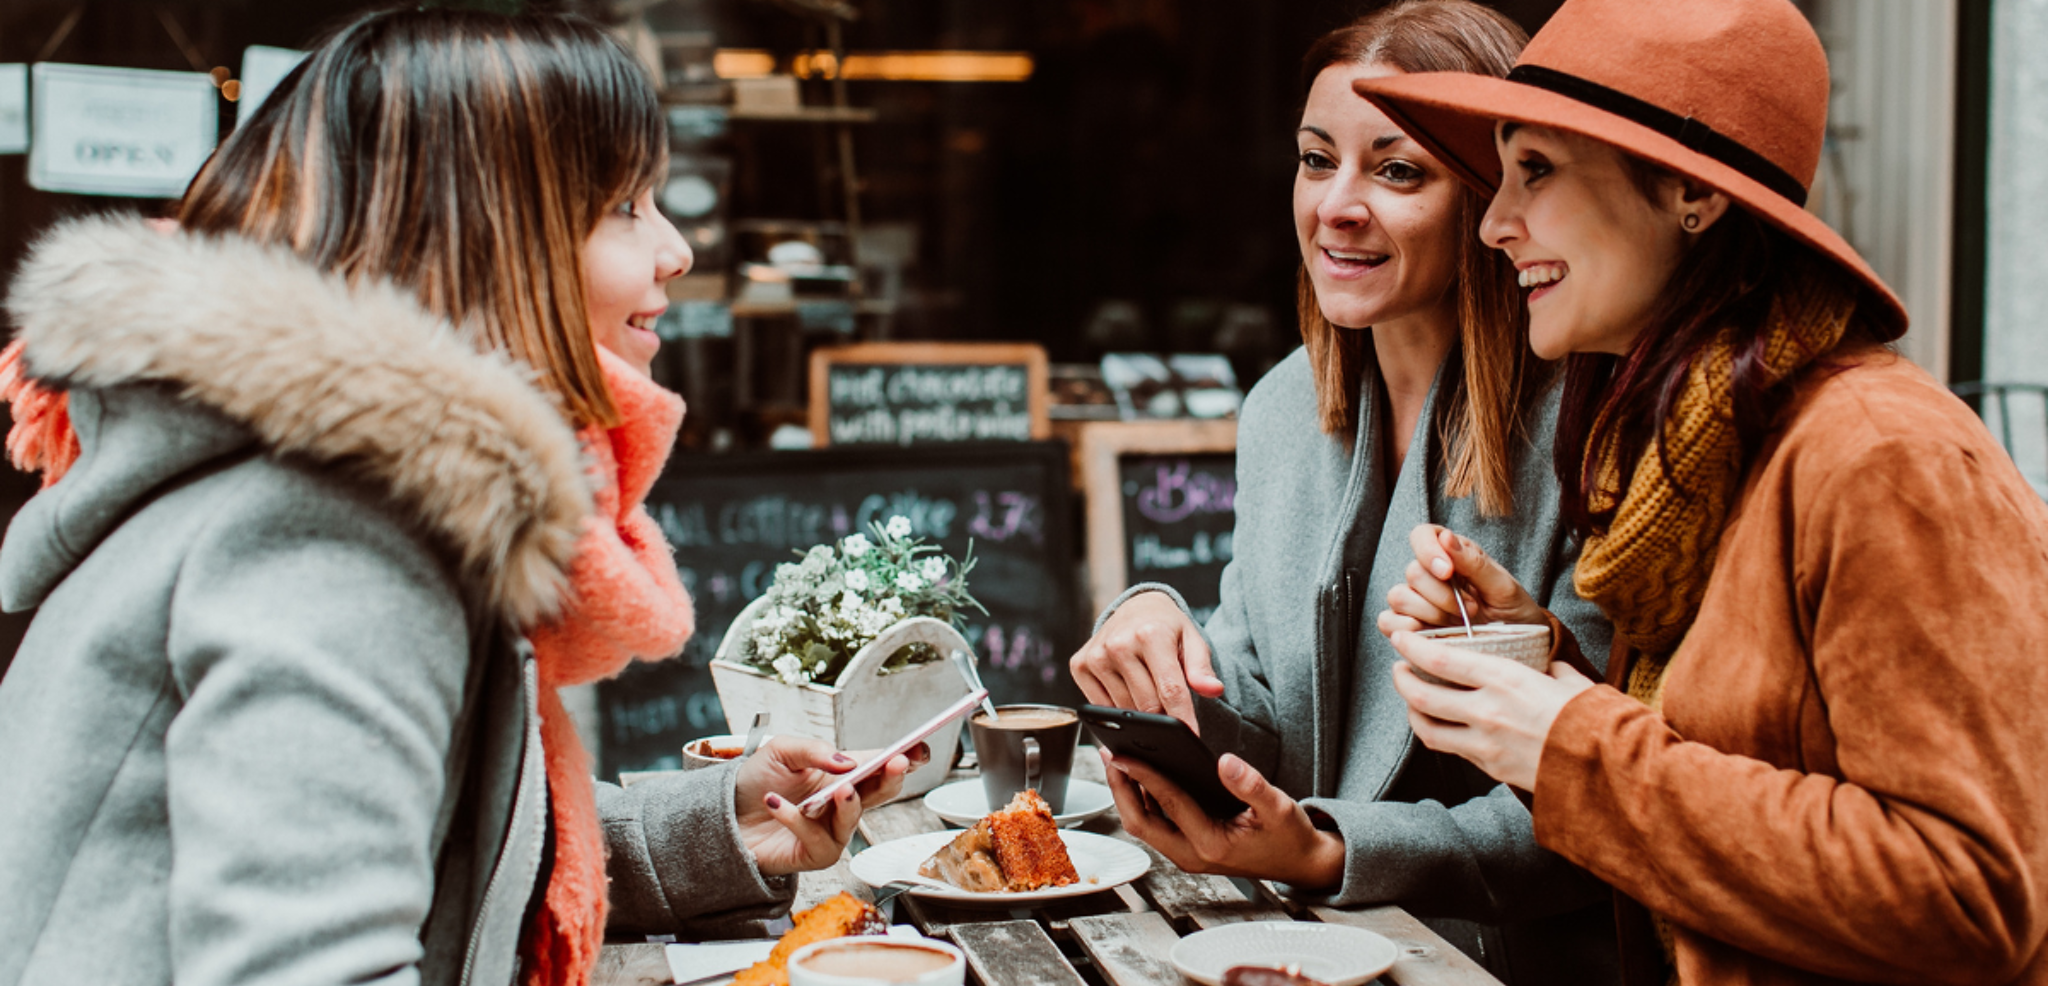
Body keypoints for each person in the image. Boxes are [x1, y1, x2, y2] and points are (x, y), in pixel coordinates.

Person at [0, 11, 914, 986]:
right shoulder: (333, 543)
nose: (676, 249)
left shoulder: (341, 483)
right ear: (483, 241)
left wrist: (723, 818)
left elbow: (425, 831)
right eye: (624, 206)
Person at [1359, 0, 2048, 983]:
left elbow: (1968, 897)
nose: (1493, 223)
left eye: (1536, 169)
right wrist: (1539, 657)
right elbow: (1737, 759)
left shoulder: (1883, 455)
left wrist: (1568, 743)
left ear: (1688, 192)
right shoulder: (1698, 451)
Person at [1067, 3, 1617, 982]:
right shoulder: (1282, 407)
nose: (1335, 205)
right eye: (1316, 159)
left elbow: (1589, 802)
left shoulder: (1588, 423)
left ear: (1493, 198)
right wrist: (1158, 651)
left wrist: (1327, 846)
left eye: (1395, 170)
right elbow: (1268, 723)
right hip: (1294, 943)